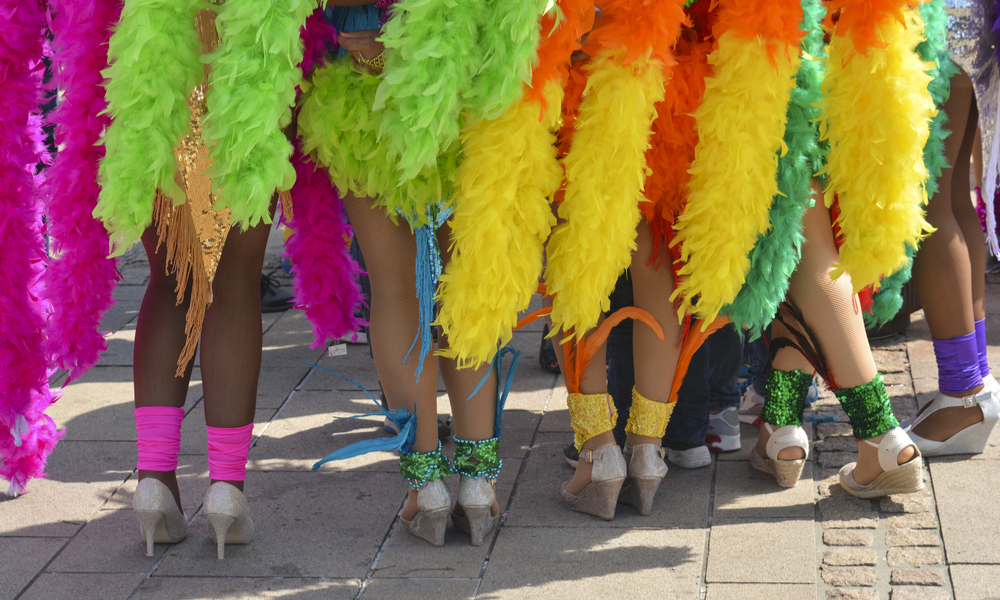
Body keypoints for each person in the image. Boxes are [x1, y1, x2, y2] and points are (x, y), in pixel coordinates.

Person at [906, 2, 1000, 454]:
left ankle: (963, 395)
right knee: (953, 196)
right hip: (970, 19)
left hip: (934, 21)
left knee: (928, 203)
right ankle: (976, 379)